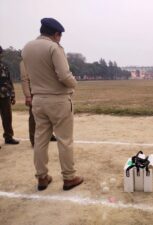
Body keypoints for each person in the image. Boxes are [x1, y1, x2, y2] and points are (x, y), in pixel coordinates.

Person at [22, 18, 83, 191]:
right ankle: (69, 177)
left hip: (38, 100)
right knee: (64, 140)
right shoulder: (54, 48)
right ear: (56, 34)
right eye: (59, 36)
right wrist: (74, 83)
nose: (60, 39)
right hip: (57, 100)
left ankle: (42, 177)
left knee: (40, 138)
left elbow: (27, 74)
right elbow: (64, 75)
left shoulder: (27, 48)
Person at [20, 60, 57, 147]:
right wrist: (28, 95)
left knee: (49, 113)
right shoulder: (24, 62)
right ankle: (34, 140)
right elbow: (24, 79)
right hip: (34, 91)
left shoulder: (42, 57)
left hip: (47, 89)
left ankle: (49, 135)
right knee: (33, 116)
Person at [0, 46, 19, 145]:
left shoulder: (4, 66)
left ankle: (8, 137)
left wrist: (12, 95)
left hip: (5, 95)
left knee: (7, 117)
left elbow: (9, 81)